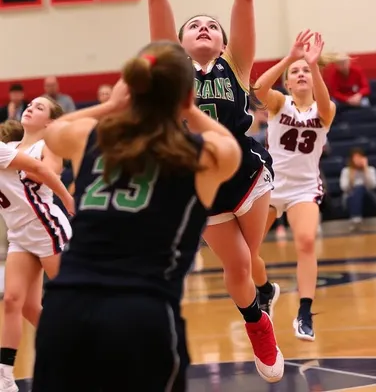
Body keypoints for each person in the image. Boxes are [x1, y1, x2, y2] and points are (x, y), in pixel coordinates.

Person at [31, 41, 241, 392]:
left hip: (65, 310)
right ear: (186, 95)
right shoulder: (201, 156)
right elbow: (231, 145)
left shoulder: (91, 139)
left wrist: (111, 106)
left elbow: (53, 132)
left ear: (129, 86)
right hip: (142, 314)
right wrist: (191, 109)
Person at [146, 0, 283, 382]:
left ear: (224, 43)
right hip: (198, 180)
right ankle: (258, 324)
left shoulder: (237, 67)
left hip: (245, 171)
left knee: (252, 260)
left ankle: (259, 297)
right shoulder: (172, 65)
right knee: (241, 268)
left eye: (211, 26)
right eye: (194, 25)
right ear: (177, 42)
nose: (203, 27)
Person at [255, 31, 337, 342]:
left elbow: (326, 101)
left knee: (305, 242)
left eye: (305, 71)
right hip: (270, 186)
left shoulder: (324, 110)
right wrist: (289, 58)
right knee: (246, 253)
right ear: (288, 83)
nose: (301, 74)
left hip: (304, 189)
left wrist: (313, 65)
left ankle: (304, 312)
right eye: (295, 72)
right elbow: (258, 88)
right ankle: (265, 290)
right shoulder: (278, 103)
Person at [0, 104, 74, 392]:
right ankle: (5, 379)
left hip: (46, 230)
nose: (30, 108)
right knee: (17, 303)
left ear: (50, 122)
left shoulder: (48, 143)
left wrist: (67, 199)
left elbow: (48, 169)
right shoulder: (9, 146)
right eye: (30, 104)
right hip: (20, 235)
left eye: (39, 107)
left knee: (77, 300)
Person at [339, 147, 376, 230]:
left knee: (360, 188)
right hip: (350, 199)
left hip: (368, 198)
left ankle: (356, 218)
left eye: (360, 157)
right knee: (357, 190)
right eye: (355, 158)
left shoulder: (371, 170)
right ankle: (356, 218)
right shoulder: (346, 171)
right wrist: (351, 179)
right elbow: (344, 188)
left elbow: (373, 186)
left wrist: (366, 170)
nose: (358, 160)